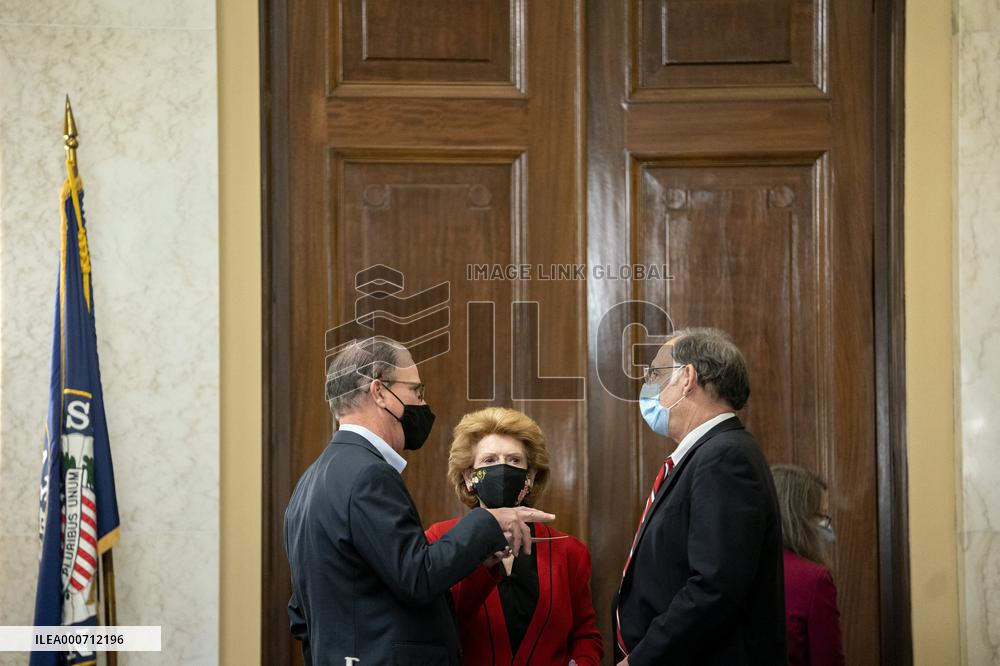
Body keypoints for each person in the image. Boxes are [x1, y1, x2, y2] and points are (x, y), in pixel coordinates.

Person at [283, 338, 555, 665]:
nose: (422, 403)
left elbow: (300, 613)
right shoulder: (369, 474)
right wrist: (490, 521)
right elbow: (416, 576)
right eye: (416, 390)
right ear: (380, 392)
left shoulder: (309, 481)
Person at [612, 327, 786, 666]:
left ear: (687, 378)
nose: (648, 385)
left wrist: (640, 660)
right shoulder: (708, 454)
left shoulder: (725, 457)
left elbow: (714, 587)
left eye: (655, 373)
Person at [425, 407, 603, 665]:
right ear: (469, 477)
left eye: (514, 460)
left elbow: (586, 635)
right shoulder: (439, 540)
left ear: (529, 477)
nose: (502, 468)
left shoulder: (569, 552)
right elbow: (436, 628)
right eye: (489, 460)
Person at [771, 464, 846, 665]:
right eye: (821, 515)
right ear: (797, 518)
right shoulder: (814, 579)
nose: (827, 525)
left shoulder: (732, 568)